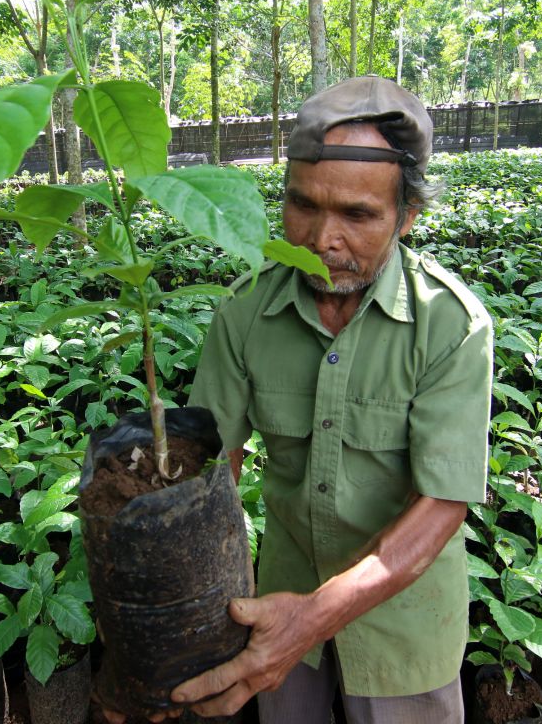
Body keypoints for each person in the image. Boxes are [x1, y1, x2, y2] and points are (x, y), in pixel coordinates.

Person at [106, 75, 493, 724]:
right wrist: (171, 627)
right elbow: (210, 465)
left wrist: (311, 619)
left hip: (405, 625)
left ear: (408, 216)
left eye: (358, 215)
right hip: (276, 601)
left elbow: (442, 505)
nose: (321, 239)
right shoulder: (245, 311)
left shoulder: (450, 325)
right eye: (303, 205)